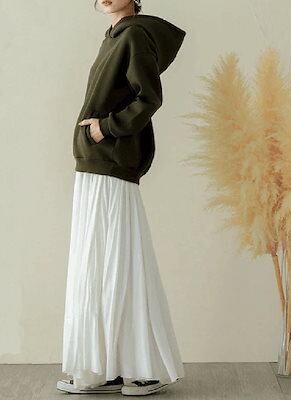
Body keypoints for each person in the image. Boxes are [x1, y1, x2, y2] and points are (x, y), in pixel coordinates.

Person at [56, 0, 186, 395]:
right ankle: (106, 369)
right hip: (95, 161)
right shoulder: (113, 37)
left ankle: (144, 369)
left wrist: (106, 128)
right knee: (96, 262)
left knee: (120, 259)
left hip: (111, 159)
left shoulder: (135, 35)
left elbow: (149, 97)